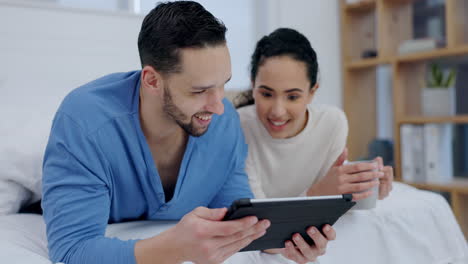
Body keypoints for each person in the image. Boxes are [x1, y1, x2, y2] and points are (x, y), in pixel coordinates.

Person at [235, 28, 394, 262]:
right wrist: (317, 193)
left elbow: (334, 204)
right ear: (253, 86)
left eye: (292, 97)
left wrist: (366, 187)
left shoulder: (332, 123)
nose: (278, 111)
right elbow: (260, 229)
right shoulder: (238, 126)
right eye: (266, 94)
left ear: (312, 92)